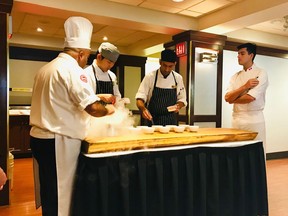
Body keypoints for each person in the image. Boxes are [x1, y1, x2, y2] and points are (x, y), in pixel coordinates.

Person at [29, 16, 115, 216]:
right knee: (62, 192)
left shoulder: (46, 69)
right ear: (81, 53)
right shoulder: (73, 70)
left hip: (39, 139)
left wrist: (96, 95)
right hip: (58, 141)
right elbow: (93, 109)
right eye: (87, 56)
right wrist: (109, 110)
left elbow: (61, 99)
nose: (86, 59)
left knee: (49, 189)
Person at [225, 43, 268, 152]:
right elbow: (227, 98)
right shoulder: (235, 76)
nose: (238, 56)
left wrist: (233, 99)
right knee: (237, 152)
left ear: (251, 55)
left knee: (255, 152)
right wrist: (245, 86)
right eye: (238, 54)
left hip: (254, 119)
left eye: (242, 53)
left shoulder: (261, 73)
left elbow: (250, 98)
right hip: (236, 118)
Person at [135, 49, 187, 126]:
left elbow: (182, 99)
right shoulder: (150, 77)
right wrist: (143, 109)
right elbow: (140, 97)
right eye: (164, 65)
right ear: (160, 62)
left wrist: (178, 106)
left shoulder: (178, 78)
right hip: (152, 120)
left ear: (175, 64)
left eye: (170, 66)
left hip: (171, 121)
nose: (167, 69)